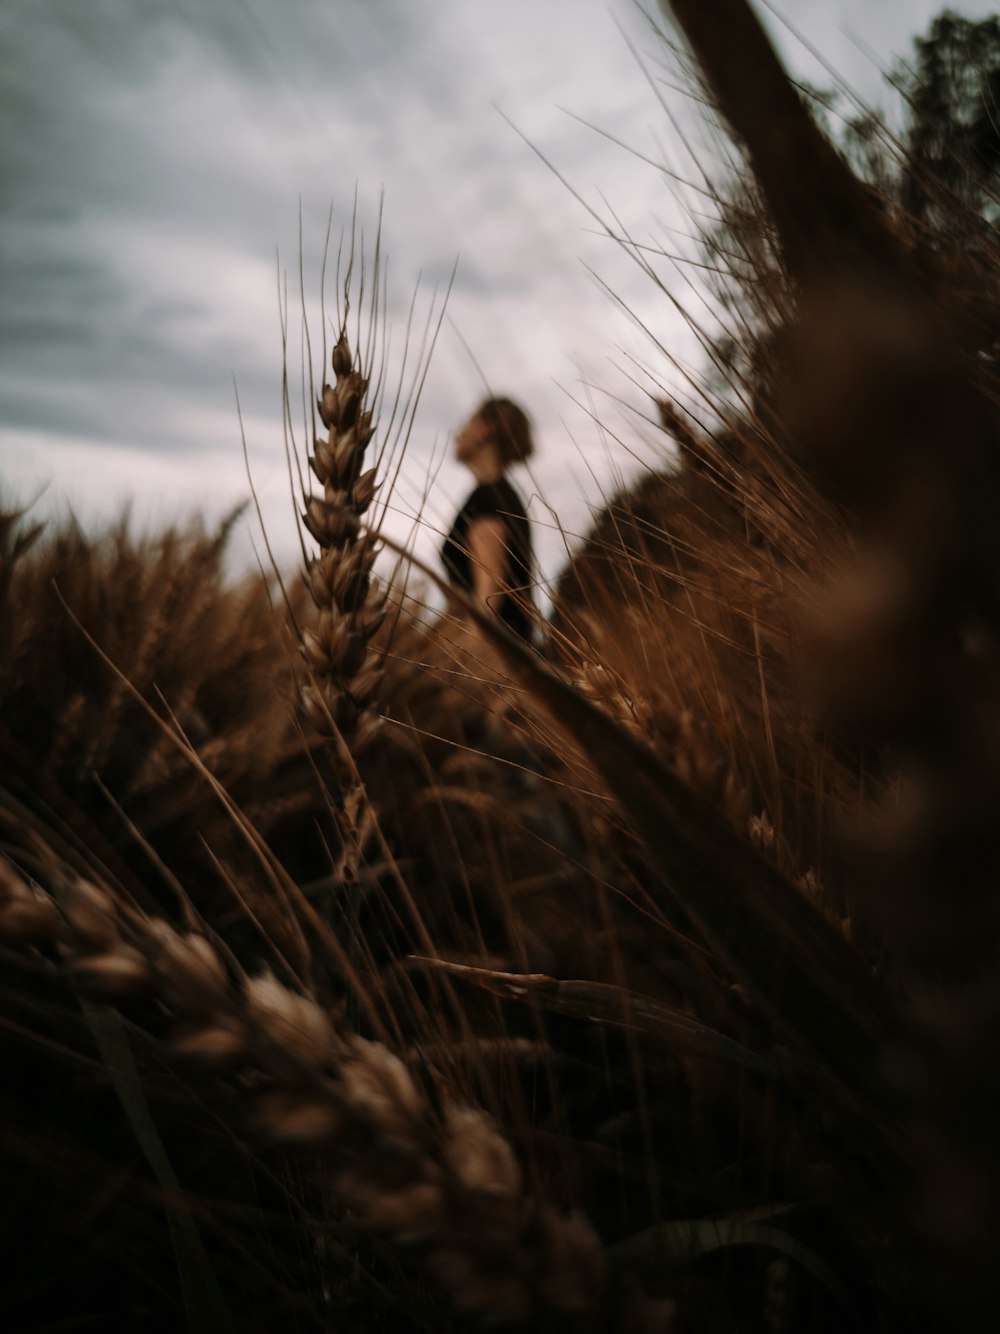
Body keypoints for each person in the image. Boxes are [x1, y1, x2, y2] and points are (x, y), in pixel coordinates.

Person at [441, 396, 536, 643]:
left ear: (486, 430)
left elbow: (489, 595)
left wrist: (468, 656)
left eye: (468, 422)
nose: (458, 433)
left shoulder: (490, 498)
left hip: (497, 654)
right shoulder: (499, 496)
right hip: (508, 648)